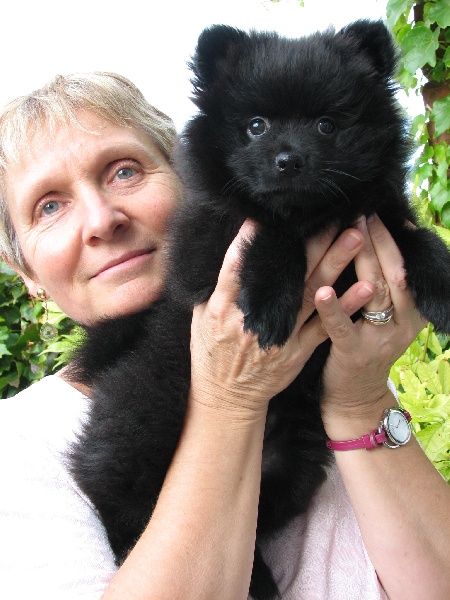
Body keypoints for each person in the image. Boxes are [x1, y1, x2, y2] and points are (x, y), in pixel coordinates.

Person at [0, 72, 448, 600]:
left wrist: (359, 398)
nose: (102, 219)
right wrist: (229, 399)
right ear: (25, 272)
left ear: (189, 176)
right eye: (48, 206)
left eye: (124, 171)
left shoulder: (313, 337)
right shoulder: (22, 449)